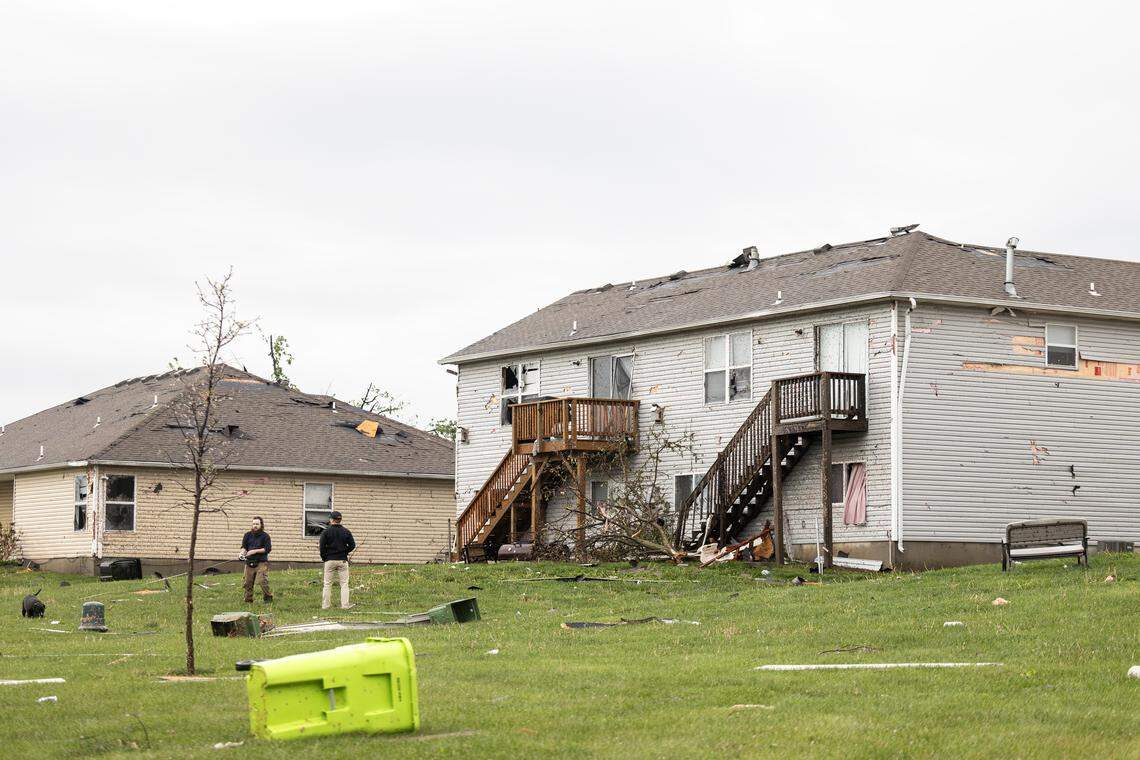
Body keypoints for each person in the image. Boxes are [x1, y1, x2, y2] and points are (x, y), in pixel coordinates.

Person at [319, 511, 356, 610]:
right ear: (340, 520)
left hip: (329, 560)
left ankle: (325, 606)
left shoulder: (326, 532)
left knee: (327, 584)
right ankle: (345, 605)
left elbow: (322, 547)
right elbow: (352, 545)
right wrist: (345, 552)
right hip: (342, 560)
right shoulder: (346, 531)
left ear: (331, 520)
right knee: (344, 584)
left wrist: (325, 558)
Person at [240, 516, 273, 603]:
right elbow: (244, 547)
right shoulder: (247, 535)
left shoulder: (265, 536)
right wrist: (241, 553)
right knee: (247, 583)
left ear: (261, 525)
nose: (255, 525)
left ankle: (268, 599)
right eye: (254, 524)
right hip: (249, 562)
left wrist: (254, 551)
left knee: (262, 581)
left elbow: (267, 549)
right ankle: (248, 600)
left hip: (261, 562)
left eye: (257, 524)